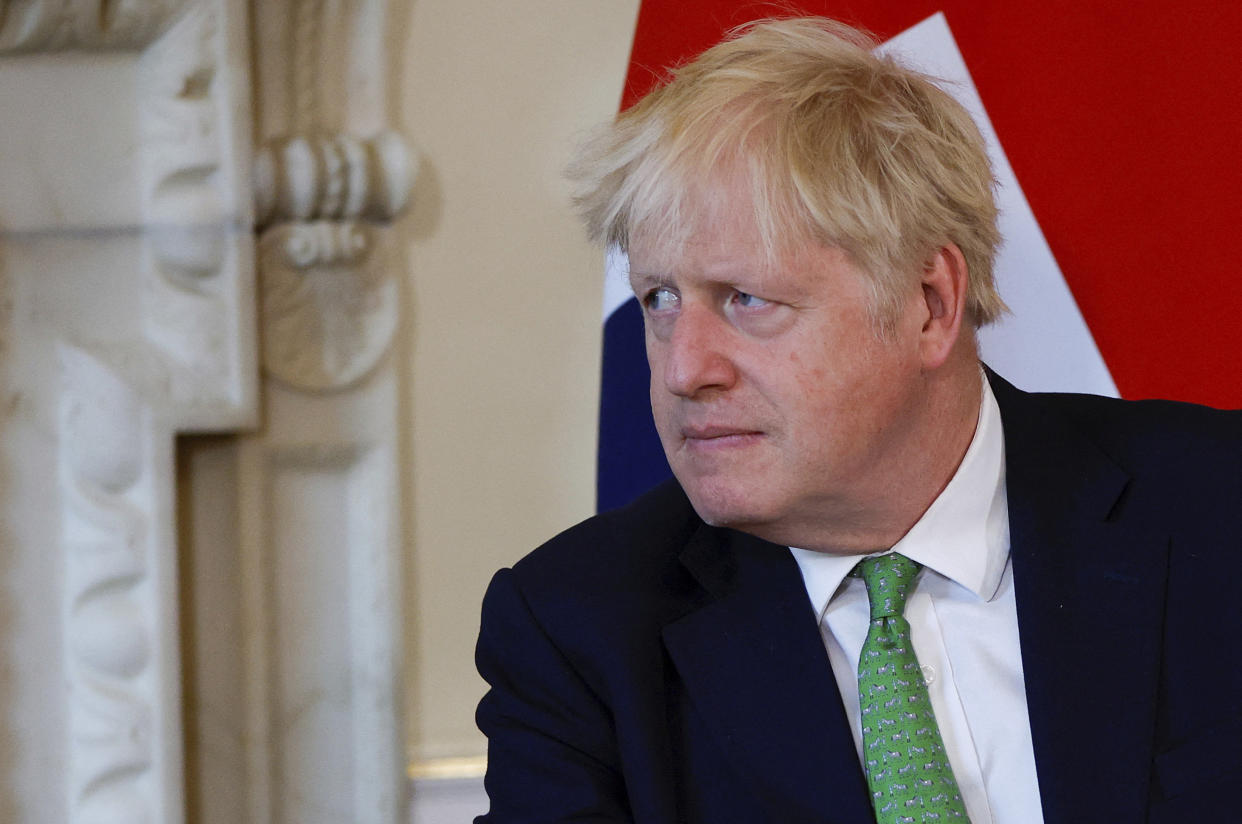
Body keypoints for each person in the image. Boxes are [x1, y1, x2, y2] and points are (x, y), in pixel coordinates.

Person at [474, 17, 1242, 824]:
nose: (681, 368)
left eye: (747, 299)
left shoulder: (1216, 511)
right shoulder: (579, 632)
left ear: (928, 303)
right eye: (660, 299)